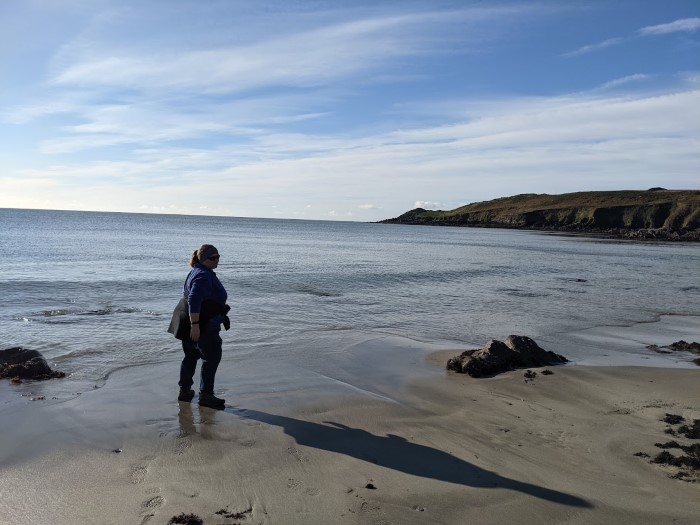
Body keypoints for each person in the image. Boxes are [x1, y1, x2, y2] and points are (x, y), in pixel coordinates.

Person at [168, 244, 230, 409]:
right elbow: (194, 299)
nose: (217, 260)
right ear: (204, 259)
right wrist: (195, 326)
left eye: (218, 256)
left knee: (191, 356)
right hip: (202, 324)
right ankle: (206, 396)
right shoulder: (203, 275)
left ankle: (185, 391)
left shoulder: (197, 270)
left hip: (189, 322)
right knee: (212, 357)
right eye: (213, 258)